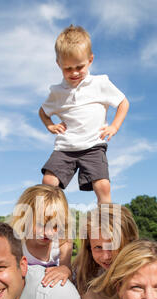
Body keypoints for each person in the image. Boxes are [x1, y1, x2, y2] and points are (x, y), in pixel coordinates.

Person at [39, 25, 129, 203]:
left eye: (79, 67)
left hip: (93, 145)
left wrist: (114, 126)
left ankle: (106, 223)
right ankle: (50, 223)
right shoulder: (58, 92)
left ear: (90, 60)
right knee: (48, 182)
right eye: (67, 68)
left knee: (102, 185)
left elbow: (123, 103)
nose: (74, 73)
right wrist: (50, 125)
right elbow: (43, 111)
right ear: (58, 64)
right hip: (65, 148)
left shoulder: (100, 83)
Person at [9, 184, 73, 287]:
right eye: (41, 225)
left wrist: (65, 269)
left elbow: (67, 274)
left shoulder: (62, 243)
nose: (49, 233)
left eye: (55, 226)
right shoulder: (18, 245)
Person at [72, 204, 139, 297]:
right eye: (98, 247)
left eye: (112, 246)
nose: (106, 256)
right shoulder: (81, 273)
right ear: (89, 247)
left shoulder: (142, 274)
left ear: (130, 242)